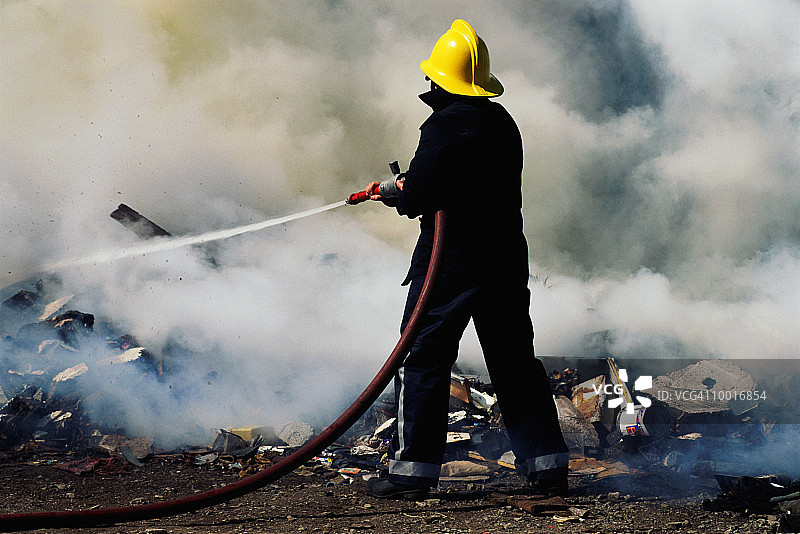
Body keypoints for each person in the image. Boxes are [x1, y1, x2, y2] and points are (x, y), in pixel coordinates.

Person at [362, 19, 568, 499]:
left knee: (424, 359)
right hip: (504, 263)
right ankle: (548, 468)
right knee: (515, 363)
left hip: (450, 266)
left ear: (438, 80)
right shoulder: (502, 123)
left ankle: (412, 474)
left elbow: (421, 192)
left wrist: (395, 190)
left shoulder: (443, 126)